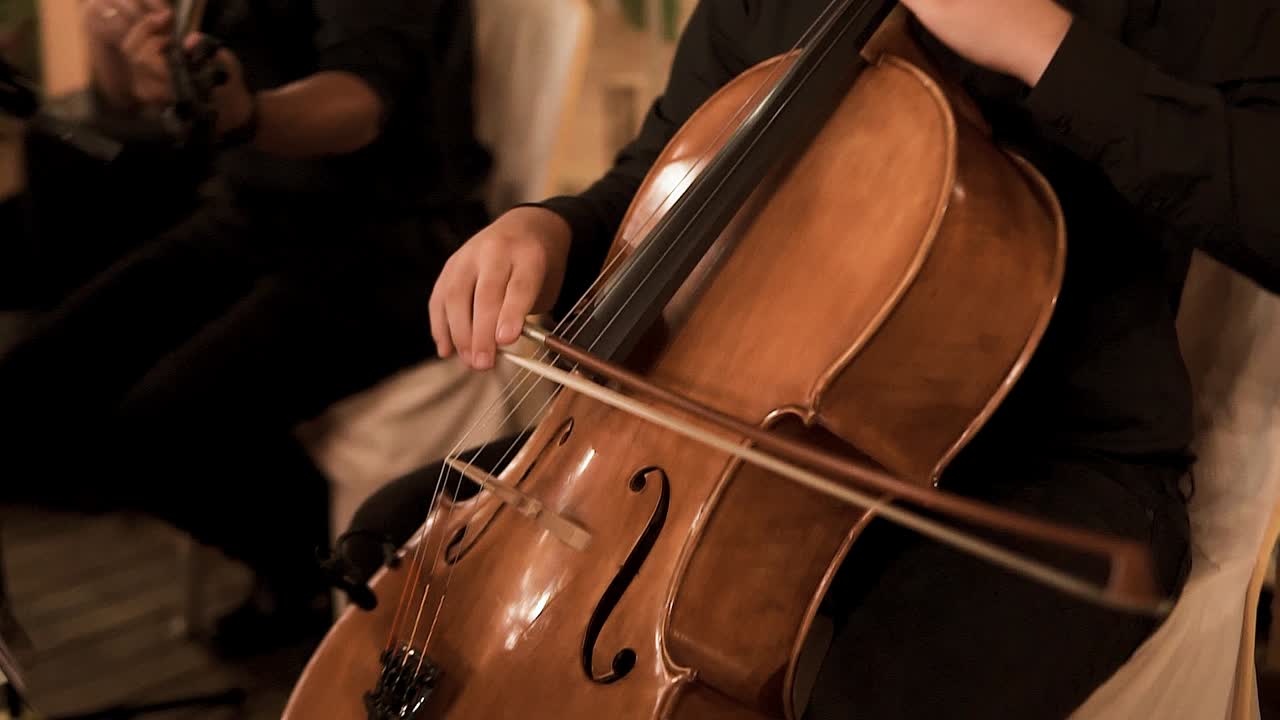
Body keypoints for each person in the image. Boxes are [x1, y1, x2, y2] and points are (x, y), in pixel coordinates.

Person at [340, 0, 1280, 717]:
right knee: (395, 535)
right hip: (741, 427)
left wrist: (1044, 48)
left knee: (870, 695)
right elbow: (667, 166)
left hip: (1041, 470)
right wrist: (550, 227)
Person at [0, 0, 490, 656]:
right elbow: (147, 98)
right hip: (250, 213)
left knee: (156, 426)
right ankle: (294, 572)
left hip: (389, 238)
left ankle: (324, 577)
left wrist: (247, 114)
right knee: (32, 388)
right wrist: (117, 50)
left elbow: (363, 104)